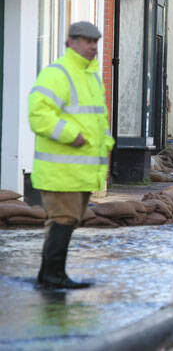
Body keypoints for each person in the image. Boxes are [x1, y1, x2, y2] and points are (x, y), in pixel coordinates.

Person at [29, 21, 114, 289]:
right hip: (61, 170)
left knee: (66, 222)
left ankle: (48, 275)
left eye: (95, 42)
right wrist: (70, 135)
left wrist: (107, 142)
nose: (92, 47)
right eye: (86, 41)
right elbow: (39, 115)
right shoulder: (58, 74)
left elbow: (97, 121)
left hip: (80, 169)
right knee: (63, 220)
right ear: (71, 42)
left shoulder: (90, 78)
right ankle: (54, 277)